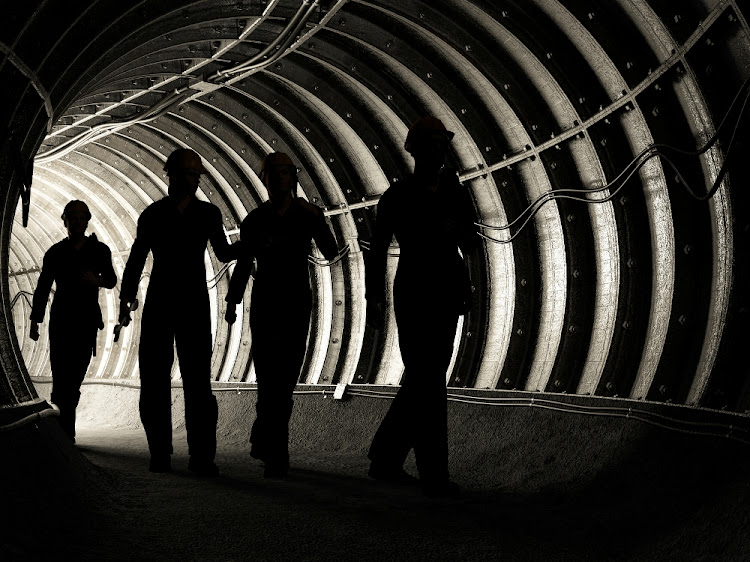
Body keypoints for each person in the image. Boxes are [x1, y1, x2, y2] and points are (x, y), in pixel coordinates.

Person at [365, 116, 479, 498]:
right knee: (427, 378)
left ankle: (385, 455)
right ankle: (434, 475)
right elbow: (377, 248)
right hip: (414, 290)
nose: (438, 151)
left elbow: (473, 241)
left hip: (445, 288)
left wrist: (458, 235)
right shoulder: (397, 196)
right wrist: (373, 299)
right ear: (414, 150)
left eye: (441, 144)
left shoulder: (455, 194)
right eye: (431, 144)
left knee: (425, 378)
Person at [119, 148, 238, 475]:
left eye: (197, 173)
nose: (196, 178)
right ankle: (160, 454)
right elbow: (136, 258)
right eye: (190, 173)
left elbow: (224, 251)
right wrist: (126, 300)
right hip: (167, 304)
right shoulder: (154, 215)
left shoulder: (207, 214)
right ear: (172, 174)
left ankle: (202, 458)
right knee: (154, 381)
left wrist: (254, 242)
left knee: (198, 384)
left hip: (189, 304)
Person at [225, 152, 338, 478]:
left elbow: (331, 252)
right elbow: (244, 263)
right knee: (269, 378)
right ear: (266, 179)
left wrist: (318, 218)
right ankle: (277, 453)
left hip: (295, 303)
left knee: (284, 380)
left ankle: (267, 441)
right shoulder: (255, 220)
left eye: (284, 173)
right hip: (266, 304)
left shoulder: (307, 216)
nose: (278, 178)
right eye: (273, 174)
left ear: (293, 178)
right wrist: (232, 302)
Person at [30, 200, 117, 442]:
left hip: (86, 321)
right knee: (60, 377)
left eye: (82, 218)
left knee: (75, 376)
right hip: (61, 321)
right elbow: (43, 286)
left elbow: (111, 280)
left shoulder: (100, 251)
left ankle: (66, 427)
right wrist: (35, 319)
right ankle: (66, 435)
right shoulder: (55, 252)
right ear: (65, 220)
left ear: (87, 220)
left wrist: (95, 281)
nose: (78, 222)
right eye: (73, 217)